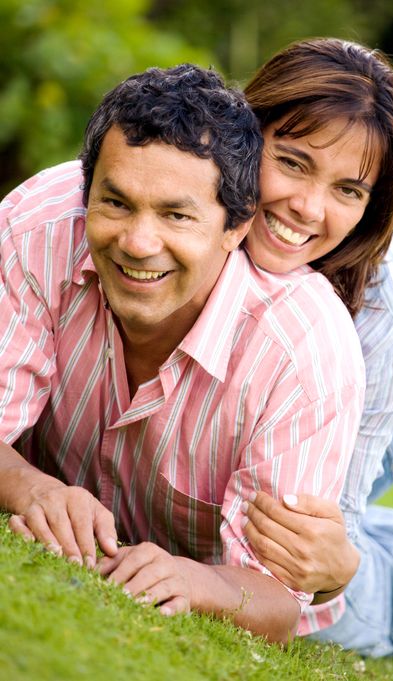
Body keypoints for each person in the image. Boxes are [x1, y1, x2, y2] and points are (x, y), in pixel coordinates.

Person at [0, 63, 366, 643]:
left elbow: (280, 597)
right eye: (116, 203)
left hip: (359, 563)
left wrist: (196, 582)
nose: (138, 243)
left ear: (237, 227)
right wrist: (31, 487)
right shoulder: (39, 226)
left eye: (176, 215)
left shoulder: (304, 349)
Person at [239, 38, 393, 657]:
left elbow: (320, 537)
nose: (308, 209)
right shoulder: (191, 199)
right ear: (245, 134)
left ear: (372, 203)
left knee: (333, 567)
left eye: (348, 191)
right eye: (293, 162)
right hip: (246, 418)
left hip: (359, 429)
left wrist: (331, 570)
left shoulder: (388, 310)